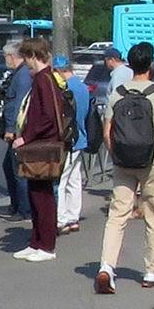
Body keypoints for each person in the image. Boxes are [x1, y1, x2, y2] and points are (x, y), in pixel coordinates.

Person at [97, 40, 154, 293]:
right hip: (151, 159)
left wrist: (115, 153)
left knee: (117, 215)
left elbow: (107, 132)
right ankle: (152, 271)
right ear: (151, 64)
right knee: (153, 215)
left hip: (123, 160)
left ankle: (106, 267)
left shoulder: (118, 93)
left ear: (130, 64)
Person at [9, 42, 71, 262]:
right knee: (36, 192)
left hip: (42, 144)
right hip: (42, 143)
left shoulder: (44, 80)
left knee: (43, 196)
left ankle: (46, 245)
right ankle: (36, 242)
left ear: (34, 56)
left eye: (26, 58)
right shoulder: (47, 78)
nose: (25, 64)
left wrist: (26, 137)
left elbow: (46, 117)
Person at [56, 51, 96, 233]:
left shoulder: (64, 89)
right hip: (81, 138)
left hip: (67, 140)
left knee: (62, 181)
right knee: (74, 180)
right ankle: (73, 217)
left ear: (58, 71)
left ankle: (61, 219)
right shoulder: (82, 88)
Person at [0, 44, 34, 219]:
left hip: (19, 131)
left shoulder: (23, 76)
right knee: (9, 167)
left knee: (18, 171)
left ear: (12, 56)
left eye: (6, 57)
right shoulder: (20, 74)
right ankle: (17, 205)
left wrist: (12, 130)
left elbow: (19, 105)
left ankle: (23, 209)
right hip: (17, 130)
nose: (5, 60)